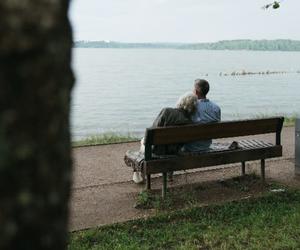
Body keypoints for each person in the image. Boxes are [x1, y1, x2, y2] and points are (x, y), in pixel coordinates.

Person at [129, 93, 198, 183]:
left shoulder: (167, 111)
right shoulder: (190, 123)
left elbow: (152, 132)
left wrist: (144, 142)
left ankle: (138, 176)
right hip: (174, 152)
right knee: (171, 144)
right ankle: (169, 175)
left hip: (156, 151)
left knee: (143, 141)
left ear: (181, 102)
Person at [182, 79, 221, 152]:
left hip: (190, 147)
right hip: (206, 145)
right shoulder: (216, 108)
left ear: (196, 92)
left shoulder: (190, 107)